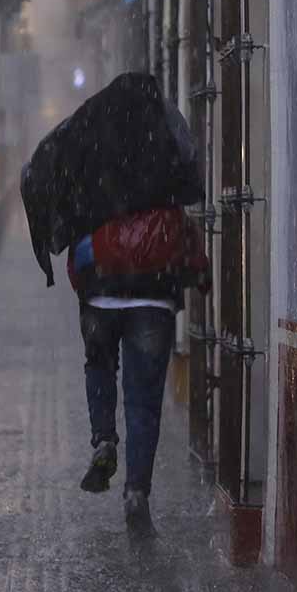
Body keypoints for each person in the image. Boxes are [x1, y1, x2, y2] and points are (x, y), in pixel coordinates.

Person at [68, 204, 209, 540]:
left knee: (100, 368)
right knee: (143, 402)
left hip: (100, 299)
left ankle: (103, 439)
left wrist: (88, 285)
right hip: (153, 302)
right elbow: (193, 259)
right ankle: (136, 493)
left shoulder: (92, 182)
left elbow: (76, 259)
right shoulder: (167, 178)